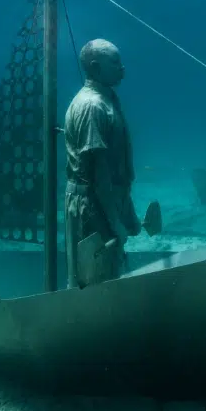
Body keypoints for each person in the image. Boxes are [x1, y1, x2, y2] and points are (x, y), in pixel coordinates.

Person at [63, 39, 141, 288]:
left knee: (108, 272)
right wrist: (114, 222)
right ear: (95, 67)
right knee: (93, 282)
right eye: (115, 63)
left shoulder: (106, 100)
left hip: (104, 202)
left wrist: (126, 212)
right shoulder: (92, 106)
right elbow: (98, 173)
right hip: (93, 206)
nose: (122, 68)